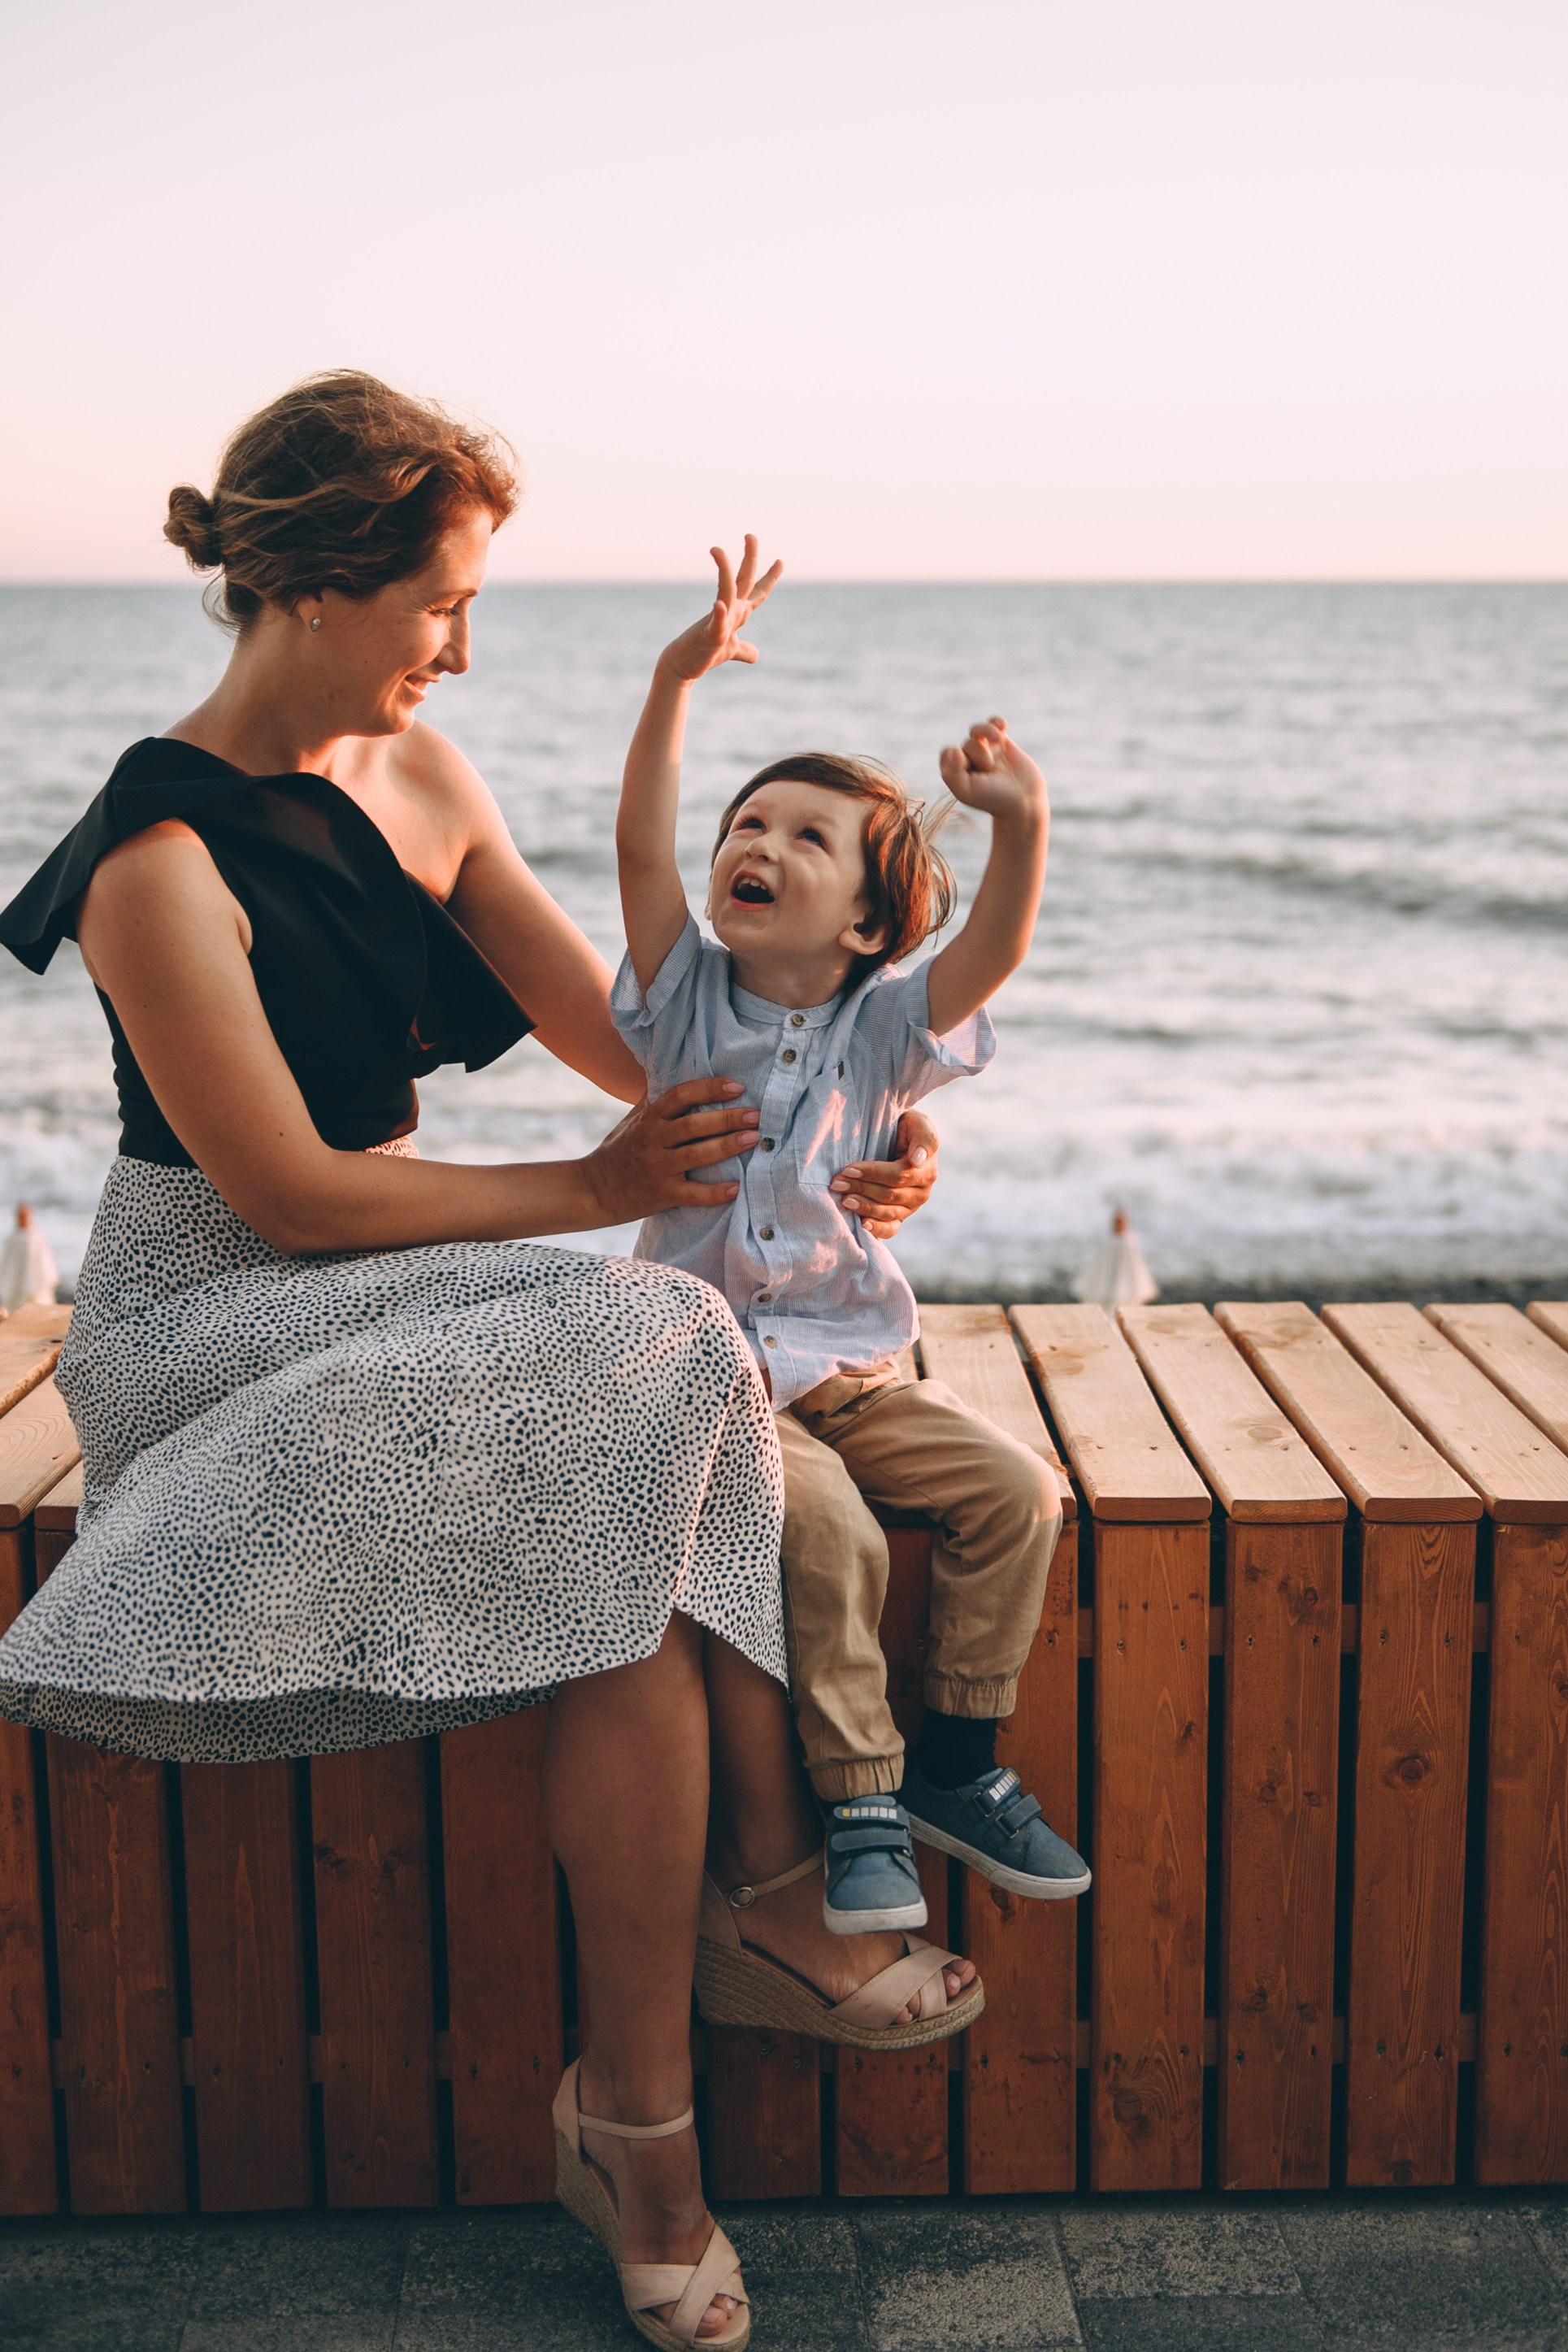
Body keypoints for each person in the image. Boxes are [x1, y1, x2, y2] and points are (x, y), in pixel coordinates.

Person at [0, 376, 980, 2351]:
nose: (460, 644)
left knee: (649, 1391)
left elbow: (657, 1053)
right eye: (440, 601)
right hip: (209, 1310)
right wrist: (600, 1186)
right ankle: (747, 1938)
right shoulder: (152, 860)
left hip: (384, 1264)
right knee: (659, 1329)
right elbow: (286, 1194)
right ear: (314, 586)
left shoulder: (423, 777)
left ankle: (644, 2105)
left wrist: (849, 1125)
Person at [613, 541, 1089, 1971]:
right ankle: (862, 1796)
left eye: (805, 839)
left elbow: (993, 949)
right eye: (746, 824)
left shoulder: (886, 1028)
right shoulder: (683, 998)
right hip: (710, 1379)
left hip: (851, 1368)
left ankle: (956, 1761)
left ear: (870, 923)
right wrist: (672, 683)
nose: (754, 846)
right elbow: (639, 844)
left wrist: (1021, 823)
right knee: (829, 1530)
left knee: (1019, 1489)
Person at [0, 1203, 59, 1312]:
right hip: (16, 1285)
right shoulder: (12, 1237)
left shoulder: (37, 1236)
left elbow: (44, 1262)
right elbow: (7, 1265)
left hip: (36, 1283)